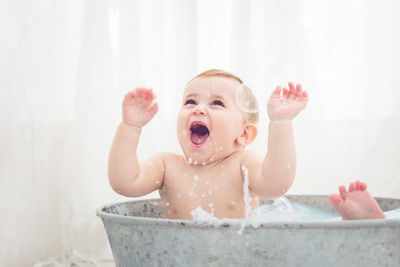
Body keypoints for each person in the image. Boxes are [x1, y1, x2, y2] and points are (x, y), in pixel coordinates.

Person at [108, 69, 308, 219]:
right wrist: (130, 128)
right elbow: (125, 183)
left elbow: (275, 185)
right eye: (190, 102)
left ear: (244, 134)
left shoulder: (242, 164)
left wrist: (281, 123)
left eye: (217, 103)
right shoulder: (166, 166)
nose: (199, 109)